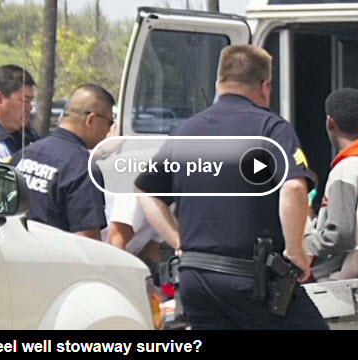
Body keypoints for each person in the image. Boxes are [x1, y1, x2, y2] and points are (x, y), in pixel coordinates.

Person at [135, 45, 328, 330]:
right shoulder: (271, 128)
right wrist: (296, 252)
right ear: (265, 87)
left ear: (218, 84)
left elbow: (146, 191)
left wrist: (179, 241)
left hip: (196, 280)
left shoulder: (186, 131)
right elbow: (294, 189)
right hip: (252, 280)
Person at [13, 84, 115, 240]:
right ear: (91, 120)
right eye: (109, 123)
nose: (109, 131)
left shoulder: (24, 154)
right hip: (56, 260)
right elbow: (87, 243)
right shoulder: (83, 167)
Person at [304, 88, 358, 282]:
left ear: (330, 122)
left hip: (327, 279)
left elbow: (339, 235)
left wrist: (302, 244)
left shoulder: (345, 172)